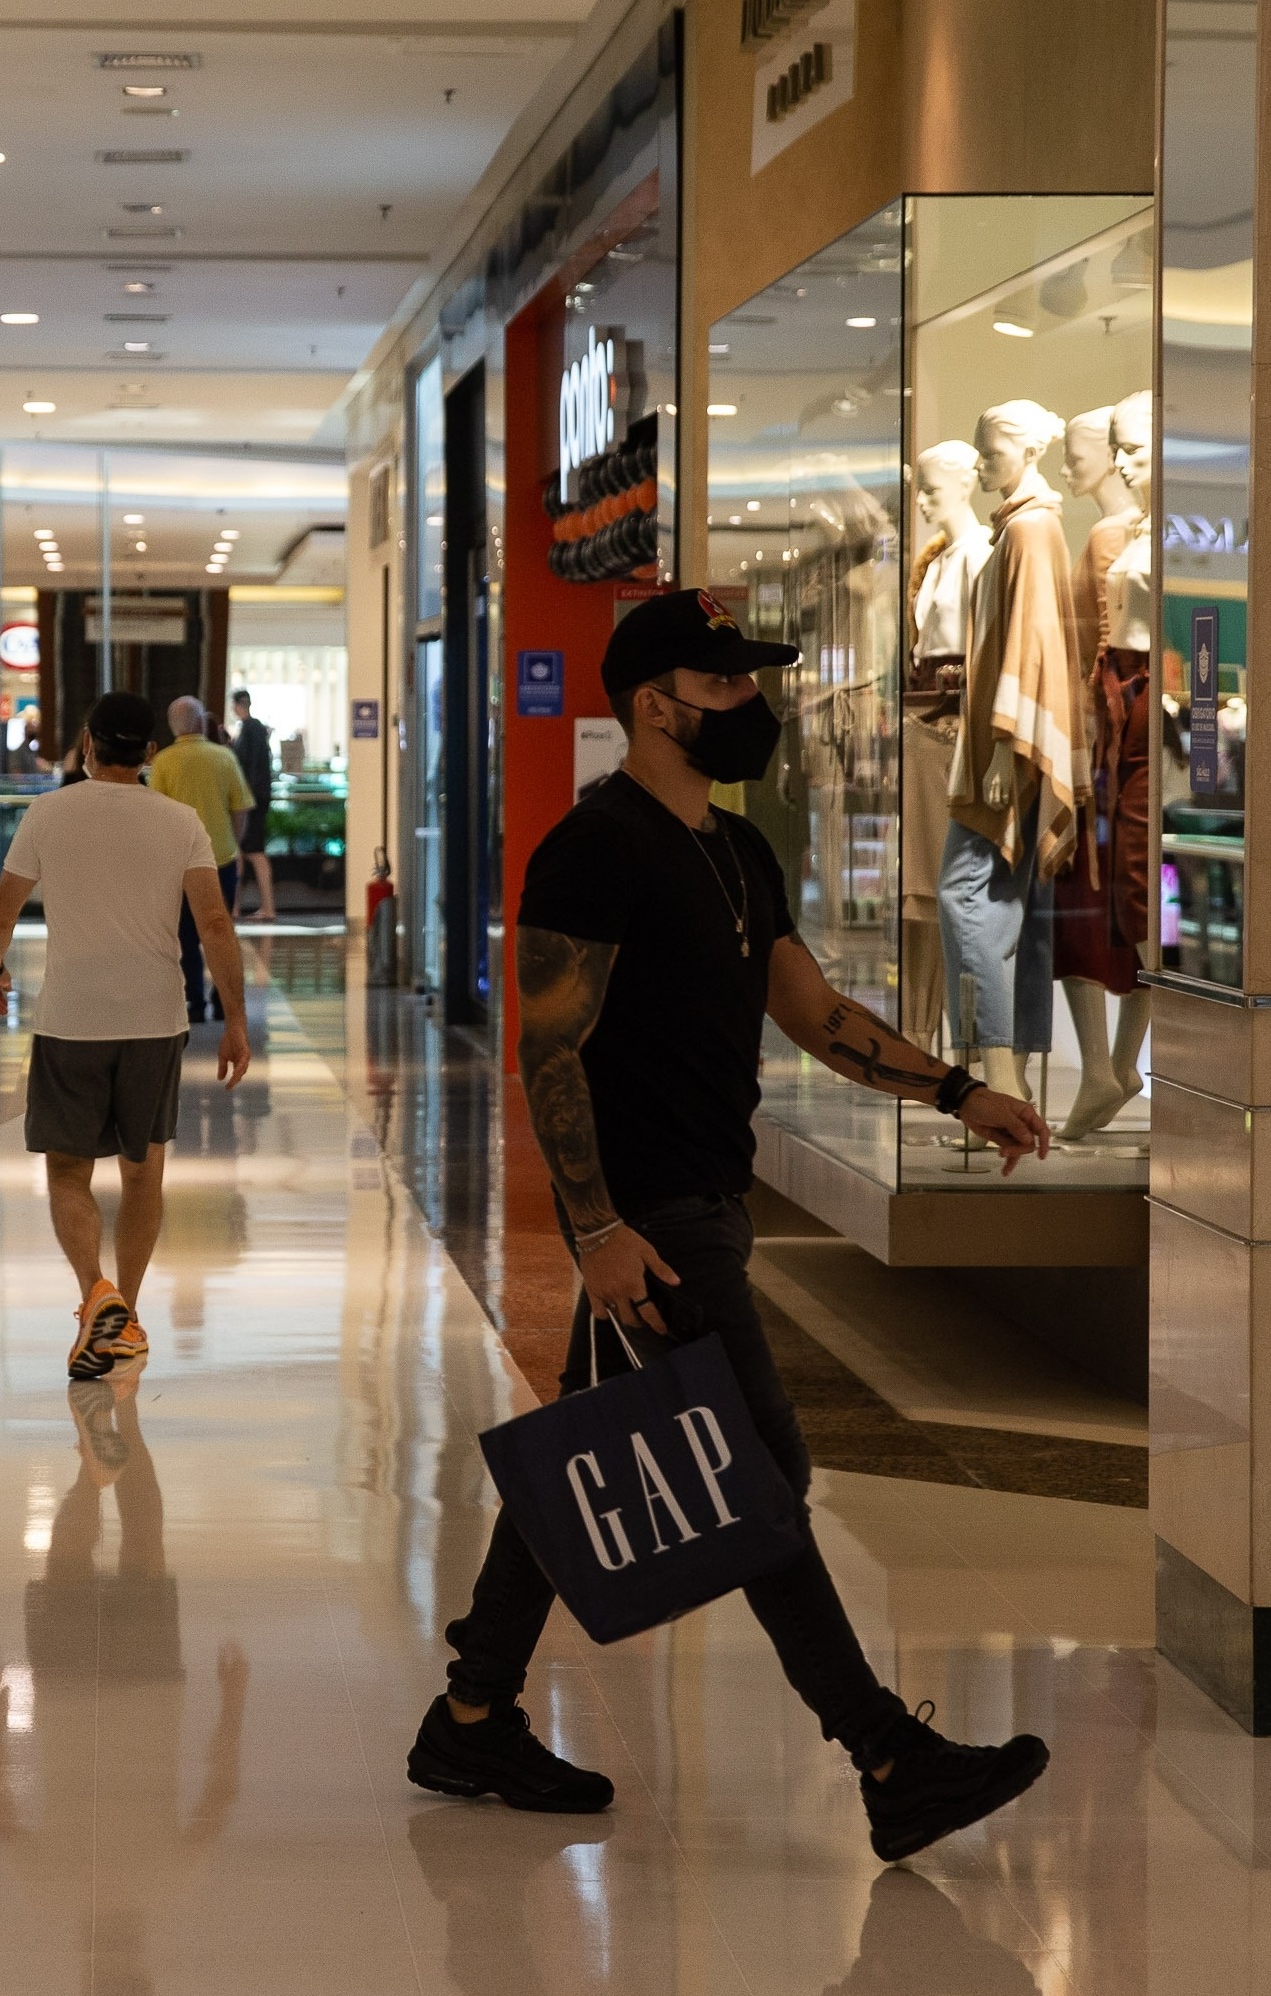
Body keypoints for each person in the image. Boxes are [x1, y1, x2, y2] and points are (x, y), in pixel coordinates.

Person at [405, 590, 1054, 1864]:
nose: (751, 704)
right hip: (651, 1214)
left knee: (649, 1450)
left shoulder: (736, 849)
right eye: (725, 685)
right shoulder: (597, 846)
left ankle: (471, 1710)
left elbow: (812, 1013)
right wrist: (593, 1226)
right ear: (655, 702)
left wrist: (957, 1090)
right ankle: (886, 1755)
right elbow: (550, 1049)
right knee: (755, 1474)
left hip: (711, 1195)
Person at [0, 691, 250, 1380]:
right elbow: (214, 925)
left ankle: (95, 1299)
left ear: (87, 745)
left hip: (72, 1017)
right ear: (150, 754)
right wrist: (236, 1020)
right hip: (156, 1017)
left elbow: (0, 912)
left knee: (68, 1171)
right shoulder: (180, 821)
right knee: (142, 1170)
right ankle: (122, 1311)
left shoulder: (48, 811)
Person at [146, 696, 254, 1022]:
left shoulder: (163, 763)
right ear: (201, 722)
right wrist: (233, 842)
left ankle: (194, 1001)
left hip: (179, 864)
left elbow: (155, 815)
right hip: (220, 858)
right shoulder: (224, 758)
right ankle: (223, 1000)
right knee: (221, 931)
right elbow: (241, 807)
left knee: (187, 936)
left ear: (171, 726)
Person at [229, 690, 277, 917]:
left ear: (238, 705)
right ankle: (259, 907)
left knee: (249, 851)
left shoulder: (249, 730)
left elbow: (245, 766)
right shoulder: (257, 729)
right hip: (259, 798)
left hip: (252, 800)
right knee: (251, 851)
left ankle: (256, 907)